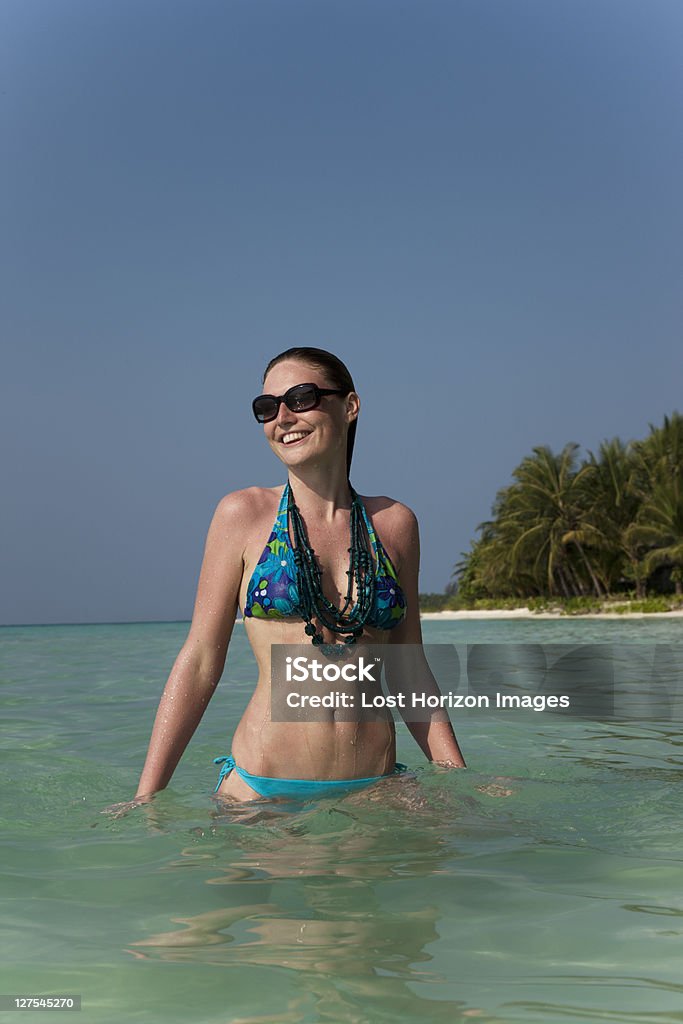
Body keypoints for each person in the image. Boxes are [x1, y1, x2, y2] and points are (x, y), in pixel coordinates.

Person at [115, 347, 465, 811]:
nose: (282, 417)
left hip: (375, 791)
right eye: (267, 407)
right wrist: (146, 797)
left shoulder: (395, 524)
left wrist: (457, 782)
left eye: (301, 398)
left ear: (350, 406)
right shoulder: (243, 515)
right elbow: (200, 659)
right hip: (262, 793)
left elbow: (408, 668)